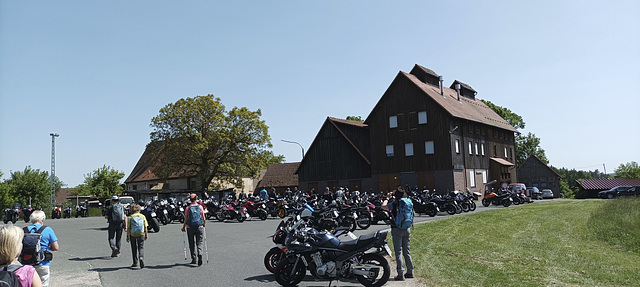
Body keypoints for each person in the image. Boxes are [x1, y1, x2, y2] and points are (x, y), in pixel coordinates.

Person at [387, 187, 414, 281]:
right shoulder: (407, 202)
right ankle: (410, 272)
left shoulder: (394, 204)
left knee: (398, 252)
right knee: (407, 251)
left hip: (397, 229)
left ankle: (400, 274)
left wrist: (387, 198)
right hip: (407, 228)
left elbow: (383, 206)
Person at [26, 211, 58, 287]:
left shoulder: (24, 230)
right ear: (43, 219)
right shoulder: (47, 229)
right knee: (43, 284)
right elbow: (56, 247)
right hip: (43, 262)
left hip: (27, 263)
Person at [181, 193, 205, 266]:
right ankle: (200, 252)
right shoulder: (200, 207)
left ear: (190, 199)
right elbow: (203, 217)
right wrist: (204, 224)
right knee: (199, 242)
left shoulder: (188, 208)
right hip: (199, 226)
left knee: (191, 243)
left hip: (190, 227)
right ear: (196, 199)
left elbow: (186, 218)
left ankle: (194, 258)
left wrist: (183, 227)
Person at [126, 204, 148, 269]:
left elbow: (128, 228)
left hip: (133, 234)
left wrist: (127, 236)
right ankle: (141, 257)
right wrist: (146, 234)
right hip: (141, 234)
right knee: (141, 247)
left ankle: (135, 262)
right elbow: (145, 227)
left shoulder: (130, 217)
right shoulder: (142, 216)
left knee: (134, 247)